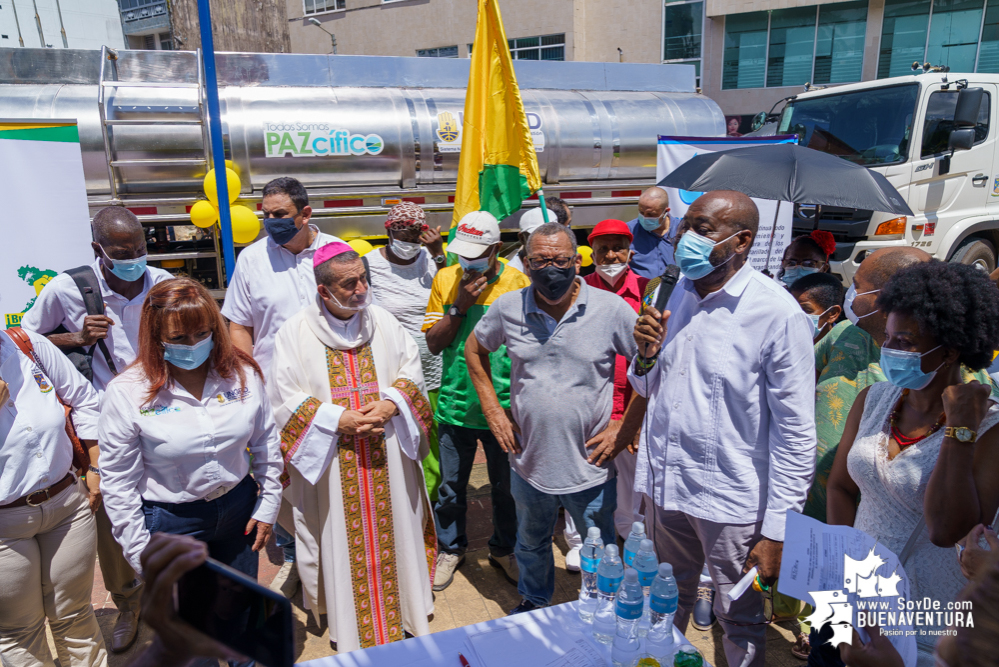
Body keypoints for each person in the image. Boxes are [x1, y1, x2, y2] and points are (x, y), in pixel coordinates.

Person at [629, 191, 816, 667]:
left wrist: (776, 530)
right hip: (666, 488)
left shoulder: (777, 313)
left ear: (742, 241)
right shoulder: (667, 292)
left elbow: (796, 435)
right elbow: (647, 384)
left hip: (732, 505)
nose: (683, 237)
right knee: (663, 602)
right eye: (684, 224)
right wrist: (645, 354)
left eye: (702, 228)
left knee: (741, 619)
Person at [827, 260, 999, 666]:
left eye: (905, 342)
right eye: (887, 339)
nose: (890, 351)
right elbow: (840, 487)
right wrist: (844, 569)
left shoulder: (989, 429)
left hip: (928, 622)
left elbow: (947, 530)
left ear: (952, 348)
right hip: (857, 604)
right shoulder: (873, 399)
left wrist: (960, 431)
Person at [268, 242, 437, 652]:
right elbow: (283, 398)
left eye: (363, 279)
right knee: (339, 538)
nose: (361, 289)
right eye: (349, 284)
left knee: (398, 523)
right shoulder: (294, 332)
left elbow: (410, 370)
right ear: (324, 291)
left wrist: (392, 402)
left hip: (389, 452)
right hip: (331, 460)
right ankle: (349, 618)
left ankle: (408, 609)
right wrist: (334, 419)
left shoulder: (382, 320)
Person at [467, 221, 639, 614]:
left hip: (590, 464)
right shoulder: (508, 307)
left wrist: (623, 426)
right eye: (541, 260)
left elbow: (648, 369)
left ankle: (602, 605)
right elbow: (475, 350)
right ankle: (535, 599)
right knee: (530, 542)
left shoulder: (611, 309)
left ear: (576, 263)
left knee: (600, 545)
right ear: (526, 264)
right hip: (529, 461)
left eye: (561, 259)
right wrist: (494, 410)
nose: (552, 268)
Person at [21, 206, 173, 652]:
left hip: (162, 416)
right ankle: (129, 604)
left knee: (168, 507)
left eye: (141, 250)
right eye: (123, 252)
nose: (135, 259)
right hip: (105, 423)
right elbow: (26, 341)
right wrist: (76, 338)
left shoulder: (163, 284)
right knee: (112, 517)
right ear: (97, 250)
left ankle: (174, 599)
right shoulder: (68, 288)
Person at [98, 278, 283, 580]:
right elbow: (118, 482)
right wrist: (140, 552)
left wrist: (268, 503)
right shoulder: (127, 392)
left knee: (237, 612)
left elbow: (266, 443)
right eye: (179, 337)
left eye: (202, 333)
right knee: (188, 619)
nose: (193, 345)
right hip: (171, 521)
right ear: (155, 335)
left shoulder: (243, 376)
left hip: (239, 511)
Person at [221, 176, 342, 598]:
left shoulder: (337, 254)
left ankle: (339, 557)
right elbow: (239, 324)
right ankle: (294, 557)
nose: (270, 222)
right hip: (276, 399)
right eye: (265, 215)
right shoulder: (252, 260)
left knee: (332, 480)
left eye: (280, 216)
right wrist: (250, 382)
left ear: (306, 214)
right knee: (285, 483)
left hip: (331, 394)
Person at [423, 212, 529, 592]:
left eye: (476, 254)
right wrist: (459, 305)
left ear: (496, 249)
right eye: (462, 254)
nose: (467, 262)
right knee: (451, 487)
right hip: (456, 402)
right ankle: (451, 549)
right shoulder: (445, 279)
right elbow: (434, 344)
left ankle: (504, 549)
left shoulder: (518, 282)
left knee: (506, 488)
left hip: (504, 407)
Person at [0, 329, 106, 666]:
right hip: (5, 528)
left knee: (74, 613)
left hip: (67, 508)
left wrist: (95, 467)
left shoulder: (23, 344)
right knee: (19, 632)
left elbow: (85, 399)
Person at [366, 202, 446, 500]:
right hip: (391, 372)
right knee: (396, 434)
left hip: (433, 367)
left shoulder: (430, 259)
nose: (411, 241)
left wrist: (439, 254)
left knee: (433, 437)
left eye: (417, 233)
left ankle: (432, 500)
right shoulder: (369, 265)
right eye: (404, 233)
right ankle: (398, 498)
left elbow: (451, 292)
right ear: (388, 230)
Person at [582, 219, 649, 543]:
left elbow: (654, 358)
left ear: (630, 252)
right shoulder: (577, 290)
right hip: (591, 403)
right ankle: (582, 537)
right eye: (603, 249)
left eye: (618, 248)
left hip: (635, 404)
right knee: (587, 470)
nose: (611, 256)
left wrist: (633, 420)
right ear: (592, 254)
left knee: (633, 480)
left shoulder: (650, 291)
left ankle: (629, 532)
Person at [627, 186, 674, 280]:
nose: (645, 217)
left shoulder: (682, 231)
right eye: (641, 212)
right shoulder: (629, 231)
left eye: (651, 214)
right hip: (641, 292)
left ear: (666, 211)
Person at [789, 272, 844, 344]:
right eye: (792, 308)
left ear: (832, 313)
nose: (796, 315)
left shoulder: (845, 350)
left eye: (806, 310)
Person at [508, 207, 556, 274]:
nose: (545, 243)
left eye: (550, 236)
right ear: (522, 238)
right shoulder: (512, 276)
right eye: (537, 238)